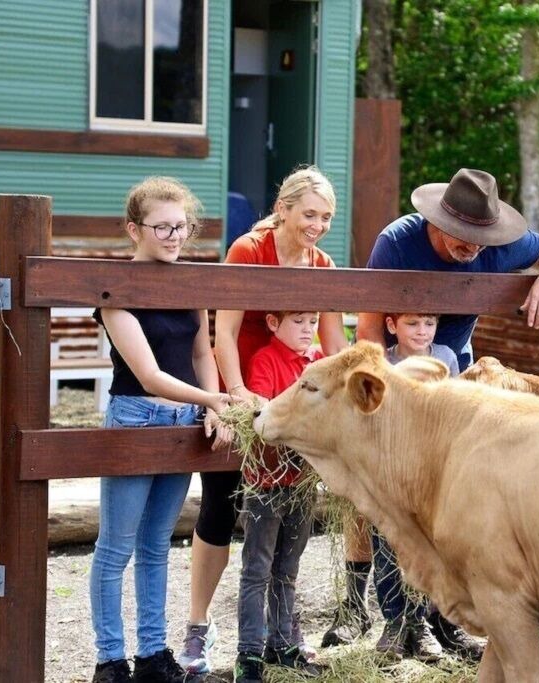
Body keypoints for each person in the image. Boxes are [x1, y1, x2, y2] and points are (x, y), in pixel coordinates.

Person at [321, 167, 539, 655]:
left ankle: (443, 617)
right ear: (437, 222)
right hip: (393, 375)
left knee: (448, 505)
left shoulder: (498, 246)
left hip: (452, 374)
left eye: (482, 237)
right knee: (374, 496)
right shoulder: (397, 243)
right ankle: (362, 609)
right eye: (463, 236)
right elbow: (370, 327)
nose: (473, 246)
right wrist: (382, 398)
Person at [178, 167, 348, 674]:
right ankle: (198, 628)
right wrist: (236, 397)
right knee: (219, 507)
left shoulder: (323, 263)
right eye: (309, 214)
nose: (318, 225)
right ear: (283, 209)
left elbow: (334, 344)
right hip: (245, 390)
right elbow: (224, 333)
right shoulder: (248, 251)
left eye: (326, 217)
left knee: (289, 519)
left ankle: (280, 633)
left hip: (293, 402)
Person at [91, 177, 235, 683]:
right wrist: (213, 400)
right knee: (116, 547)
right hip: (136, 415)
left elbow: (202, 352)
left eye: (182, 226)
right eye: (162, 227)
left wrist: (211, 410)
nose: (175, 236)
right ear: (134, 230)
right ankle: (111, 658)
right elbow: (149, 374)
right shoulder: (115, 291)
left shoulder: (190, 282)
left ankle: (153, 654)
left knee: (156, 545)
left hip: (182, 420)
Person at [233, 311, 326, 683]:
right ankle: (250, 653)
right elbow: (262, 413)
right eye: (299, 321)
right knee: (257, 568)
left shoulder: (318, 364)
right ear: (273, 323)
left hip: (302, 482)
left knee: (288, 569)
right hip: (266, 482)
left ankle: (282, 643)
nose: (308, 329)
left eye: (314, 321)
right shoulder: (266, 360)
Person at [368, 312, 467, 662]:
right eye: (413, 324)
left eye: (429, 323)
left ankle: (429, 623)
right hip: (390, 471)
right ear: (392, 325)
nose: (422, 331)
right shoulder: (383, 362)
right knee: (387, 546)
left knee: (433, 546)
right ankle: (396, 623)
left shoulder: (445, 358)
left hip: (431, 471)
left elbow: (454, 410)